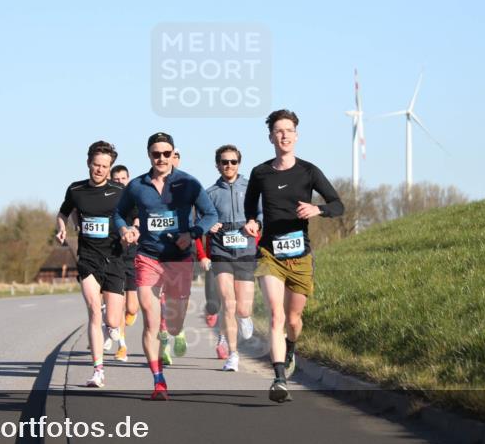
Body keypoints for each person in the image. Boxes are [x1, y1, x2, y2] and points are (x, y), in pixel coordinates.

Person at [244, 110, 343, 403]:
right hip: (270, 254)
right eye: (279, 130)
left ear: (296, 136)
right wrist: (252, 222)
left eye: (289, 130)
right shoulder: (260, 173)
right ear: (271, 137)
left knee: (293, 319)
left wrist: (317, 209)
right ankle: (279, 378)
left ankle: (291, 347)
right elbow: (250, 207)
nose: (284, 135)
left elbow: (338, 205)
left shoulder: (309, 171)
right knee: (276, 315)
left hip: (300, 256)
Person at [113, 132, 218, 400]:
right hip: (148, 257)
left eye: (166, 153)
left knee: (173, 324)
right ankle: (158, 381)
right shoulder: (137, 186)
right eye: (156, 154)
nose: (161, 158)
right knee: (150, 320)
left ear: (173, 154)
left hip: (179, 259)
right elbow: (118, 213)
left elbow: (210, 214)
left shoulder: (188, 183)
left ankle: (173, 331)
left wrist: (192, 234)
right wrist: (125, 229)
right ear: (149, 155)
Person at [56, 141, 127, 388]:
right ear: (88, 163)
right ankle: (98, 370)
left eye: (104, 167)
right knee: (94, 311)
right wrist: (62, 228)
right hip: (88, 258)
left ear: (110, 168)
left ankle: (111, 322)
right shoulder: (76, 190)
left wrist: (132, 230)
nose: (99, 170)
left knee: (114, 321)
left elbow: (135, 217)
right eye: (96, 165)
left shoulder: (119, 191)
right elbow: (63, 213)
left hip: (114, 257)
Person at [201, 145, 257, 373]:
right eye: (224, 162)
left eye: (233, 161)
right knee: (228, 302)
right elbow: (200, 220)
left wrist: (255, 222)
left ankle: (245, 317)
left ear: (239, 163)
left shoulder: (251, 188)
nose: (229, 165)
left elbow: (262, 213)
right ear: (217, 165)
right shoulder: (210, 193)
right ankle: (233, 354)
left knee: (242, 308)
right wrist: (208, 225)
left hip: (245, 251)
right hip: (221, 251)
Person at [109, 164, 139, 362]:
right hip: (115, 254)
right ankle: (122, 346)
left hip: (133, 253)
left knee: (132, 308)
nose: (120, 182)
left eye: (123, 178)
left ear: (128, 179)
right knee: (118, 305)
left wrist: (134, 229)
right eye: (116, 179)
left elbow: (138, 217)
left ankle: (130, 314)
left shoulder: (134, 196)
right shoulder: (107, 199)